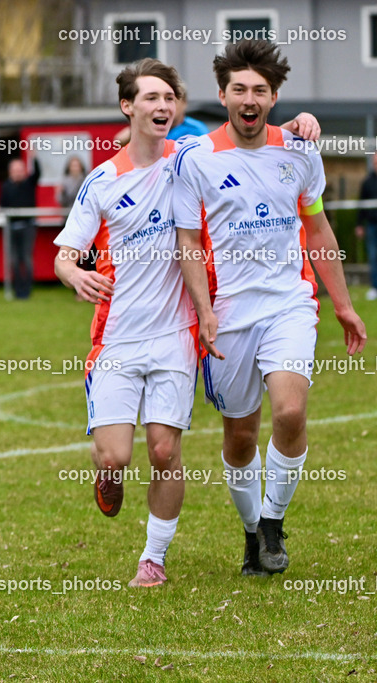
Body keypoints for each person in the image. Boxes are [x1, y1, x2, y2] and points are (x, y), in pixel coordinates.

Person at [174, 40, 366, 577]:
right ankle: (250, 532)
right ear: (224, 95)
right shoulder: (197, 159)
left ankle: (274, 524)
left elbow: (319, 228)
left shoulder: (300, 151)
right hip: (230, 315)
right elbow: (189, 242)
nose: (249, 98)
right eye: (240, 89)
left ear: (274, 96)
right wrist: (204, 309)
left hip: (290, 305)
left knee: (289, 411)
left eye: (260, 89)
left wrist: (344, 306)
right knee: (239, 435)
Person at [53, 59, 197, 588]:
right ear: (128, 107)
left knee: (164, 449)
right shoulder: (104, 181)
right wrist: (74, 275)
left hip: (176, 334)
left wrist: (296, 127)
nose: (162, 107)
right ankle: (106, 478)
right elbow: (64, 255)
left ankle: (152, 559)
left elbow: (245, 136)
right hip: (116, 337)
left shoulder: (189, 160)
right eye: (152, 98)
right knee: (115, 456)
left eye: (169, 98)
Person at [0, 155, 42, 299]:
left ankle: (27, 289)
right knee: (14, 260)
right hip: (11, 227)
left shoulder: (29, 183)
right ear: (10, 171)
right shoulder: (6, 186)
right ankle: (18, 290)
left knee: (26, 258)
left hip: (28, 226)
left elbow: (37, 173)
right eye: (14, 170)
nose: (17, 172)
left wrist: (34, 157)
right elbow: (2, 205)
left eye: (20, 169)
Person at [356, 155, 377, 301]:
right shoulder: (367, 183)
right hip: (371, 225)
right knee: (373, 256)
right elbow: (361, 205)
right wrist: (359, 225)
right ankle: (375, 287)